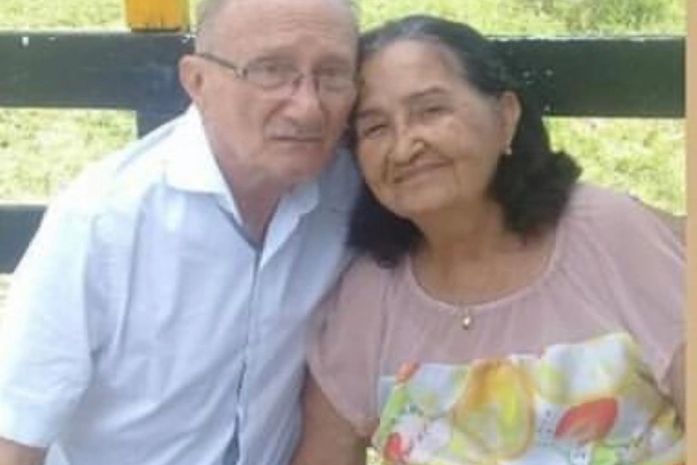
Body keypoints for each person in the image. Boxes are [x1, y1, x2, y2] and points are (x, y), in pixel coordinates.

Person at [291, 15, 685, 465]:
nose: (404, 146)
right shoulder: (370, 295)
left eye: (431, 111)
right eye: (375, 128)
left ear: (505, 117)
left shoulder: (609, 233)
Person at [0, 0, 360, 464]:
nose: (308, 107)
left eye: (332, 74)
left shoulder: (355, 191)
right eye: (270, 70)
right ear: (197, 81)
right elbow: (14, 435)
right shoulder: (104, 222)